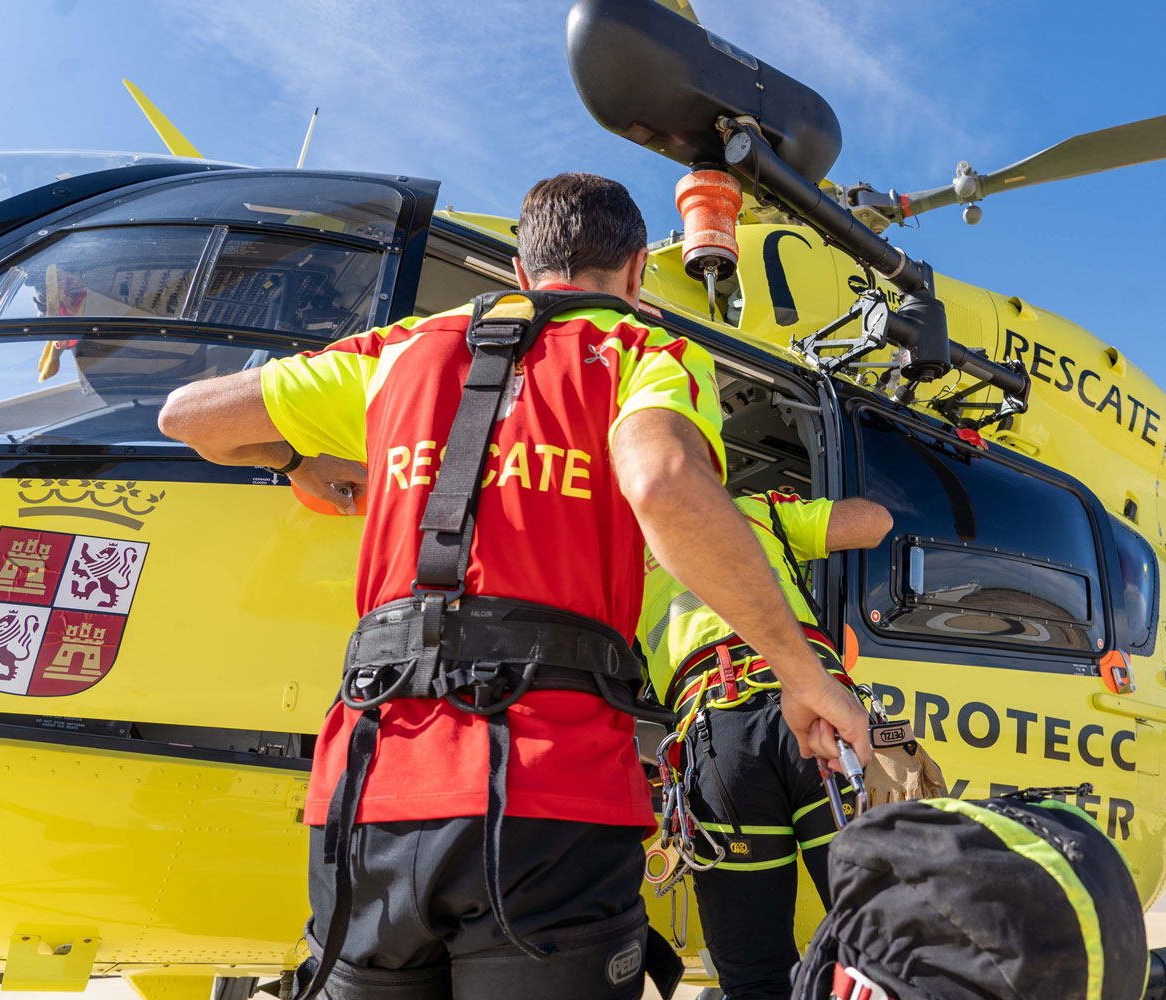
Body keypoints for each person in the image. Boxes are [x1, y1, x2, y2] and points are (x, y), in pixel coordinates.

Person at [157, 172, 869, 1000]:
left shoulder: (400, 353)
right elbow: (665, 483)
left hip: (370, 798)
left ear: (522, 272)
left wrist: (298, 459)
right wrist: (800, 670)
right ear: (639, 271)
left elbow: (188, 417)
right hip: (550, 797)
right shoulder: (645, 351)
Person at [638, 488, 892, 1000]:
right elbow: (876, 522)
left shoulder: (623, 546)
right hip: (817, 717)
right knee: (885, 951)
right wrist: (785, 518)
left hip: (718, 741)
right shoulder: (759, 510)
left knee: (755, 979)